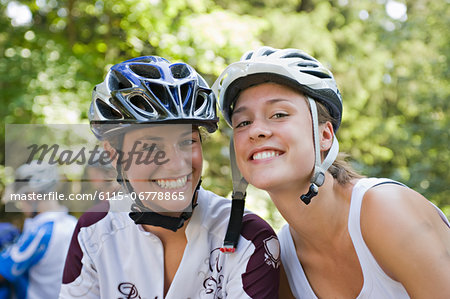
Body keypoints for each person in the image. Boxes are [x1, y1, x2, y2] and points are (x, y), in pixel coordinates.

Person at [212, 46, 450, 298]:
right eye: (243, 122)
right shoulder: (283, 264)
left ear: (325, 135)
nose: (256, 131)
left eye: (279, 114)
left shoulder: (386, 210)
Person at [60, 56, 280, 298]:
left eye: (187, 142)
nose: (176, 164)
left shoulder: (249, 237)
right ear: (114, 156)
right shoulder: (94, 230)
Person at [0, 161, 77, 299]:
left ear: (32, 195)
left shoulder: (41, 232)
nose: (21, 205)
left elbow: (3, 271)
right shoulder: (73, 224)